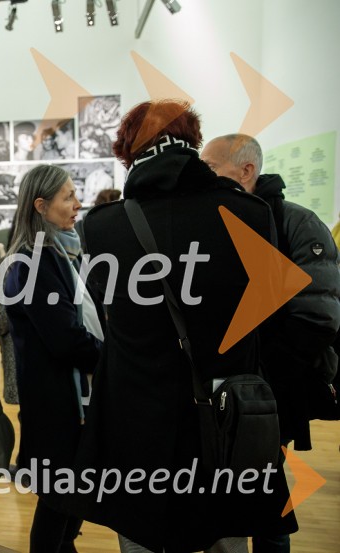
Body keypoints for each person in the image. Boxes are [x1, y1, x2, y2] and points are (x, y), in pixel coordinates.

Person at [68, 101, 297, 552]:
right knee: (226, 537)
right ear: (193, 141)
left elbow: (108, 318)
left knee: (142, 540)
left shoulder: (102, 226)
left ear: (128, 151)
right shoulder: (250, 213)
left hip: (136, 430)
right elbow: (274, 321)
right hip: (227, 423)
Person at [201, 133, 340, 553]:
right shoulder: (211, 224)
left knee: (267, 497)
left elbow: (319, 316)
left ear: (246, 170)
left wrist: (262, 373)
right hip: (217, 390)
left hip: (271, 393)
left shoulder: (295, 223)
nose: (201, 180)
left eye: (210, 169)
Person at [3, 164, 104, 553]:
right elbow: (65, 339)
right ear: (41, 206)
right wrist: (114, 360)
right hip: (57, 408)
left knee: (67, 509)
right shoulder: (32, 264)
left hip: (72, 403)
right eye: (68, 197)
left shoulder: (64, 254)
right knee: (58, 508)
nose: (78, 205)